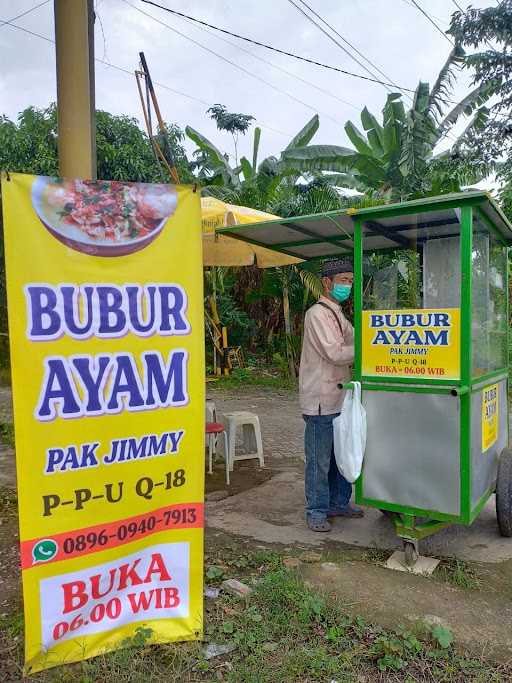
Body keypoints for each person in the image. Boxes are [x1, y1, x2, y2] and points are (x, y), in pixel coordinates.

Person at [299, 258, 364, 532]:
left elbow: (354, 338)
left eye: (350, 281)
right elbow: (336, 352)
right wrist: (366, 350)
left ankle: (339, 502)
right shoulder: (317, 314)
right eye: (343, 281)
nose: (347, 286)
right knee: (319, 460)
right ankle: (316, 510)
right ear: (327, 283)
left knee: (340, 455)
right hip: (320, 400)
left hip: (339, 398)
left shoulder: (338, 314)